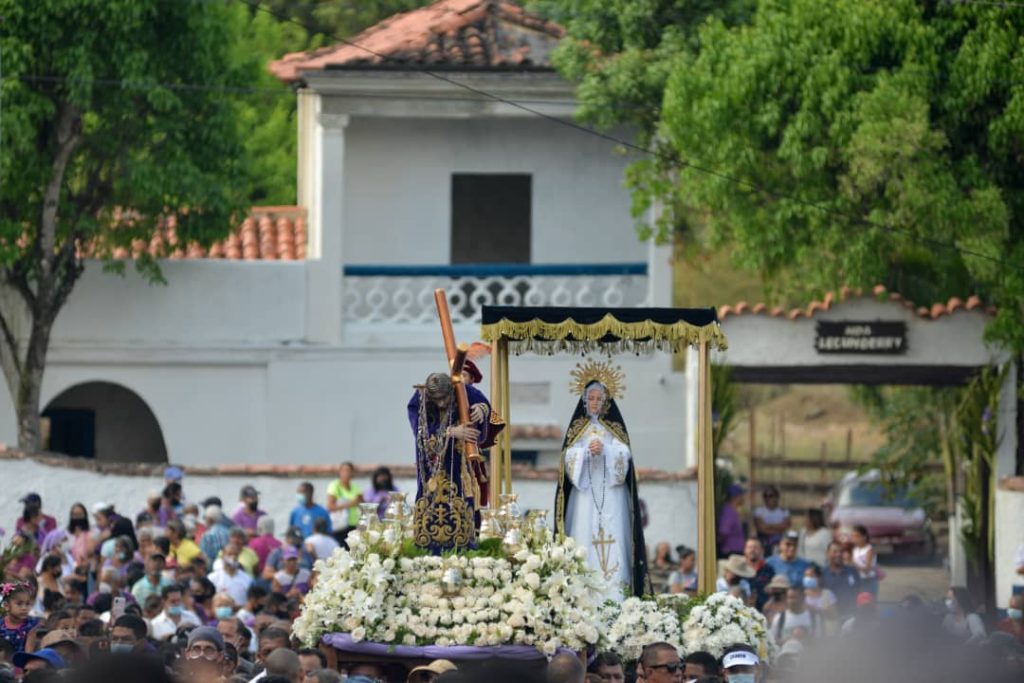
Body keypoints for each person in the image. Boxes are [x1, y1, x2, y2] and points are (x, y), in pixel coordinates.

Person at [555, 362, 649, 600]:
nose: (595, 402)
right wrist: (585, 451)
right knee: (583, 535)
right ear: (584, 401)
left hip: (611, 492)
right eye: (591, 398)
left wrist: (606, 449)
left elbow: (624, 455)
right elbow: (567, 457)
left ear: (606, 401)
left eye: (599, 398)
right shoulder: (578, 429)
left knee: (614, 536)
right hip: (585, 491)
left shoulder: (613, 429)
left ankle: (616, 597)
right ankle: (582, 597)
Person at [326, 462, 362, 544]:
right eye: (344, 471)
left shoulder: (355, 487)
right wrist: (350, 504)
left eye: (349, 471)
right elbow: (330, 506)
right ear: (340, 472)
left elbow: (361, 503)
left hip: (353, 525)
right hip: (339, 526)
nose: (347, 473)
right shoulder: (334, 486)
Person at [821, 541, 860, 615]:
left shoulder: (852, 571)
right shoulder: (822, 574)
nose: (838, 554)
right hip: (831, 617)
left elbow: (858, 591)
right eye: (835, 552)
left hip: (850, 615)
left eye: (841, 552)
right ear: (827, 554)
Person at [0, 584, 40, 653]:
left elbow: (28, 653)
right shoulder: (1, 624)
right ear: (6, 606)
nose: (24, 608)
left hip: (21, 661)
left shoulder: (30, 625)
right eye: (19, 604)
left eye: (27, 604)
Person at [753, 486, 790, 553]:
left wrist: (768, 525)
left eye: (770, 496)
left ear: (776, 497)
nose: (767, 498)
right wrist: (778, 529)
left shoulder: (784, 511)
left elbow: (785, 526)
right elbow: (761, 528)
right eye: (765, 496)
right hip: (764, 542)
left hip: (779, 543)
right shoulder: (758, 511)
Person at [802, 563, 838, 633]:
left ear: (819, 578)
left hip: (828, 635)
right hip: (809, 635)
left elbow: (834, 615)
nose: (808, 579)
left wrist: (815, 610)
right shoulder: (802, 596)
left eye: (811, 576)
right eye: (806, 576)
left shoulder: (828, 594)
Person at [743, 538, 774, 610]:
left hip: (764, 610)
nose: (752, 550)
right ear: (744, 550)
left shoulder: (769, 570)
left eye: (755, 547)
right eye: (749, 547)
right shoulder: (738, 570)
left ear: (762, 550)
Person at [716, 484, 746, 558]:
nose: (743, 498)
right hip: (731, 552)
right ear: (736, 497)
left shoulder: (732, 511)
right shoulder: (728, 512)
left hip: (735, 551)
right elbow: (723, 532)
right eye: (741, 495)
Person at [850, 525, 878, 596]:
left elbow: (867, 569)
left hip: (868, 580)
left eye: (857, 536)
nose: (854, 539)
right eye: (853, 536)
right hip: (858, 579)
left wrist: (853, 563)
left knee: (868, 603)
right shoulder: (855, 549)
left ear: (864, 537)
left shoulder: (869, 550)